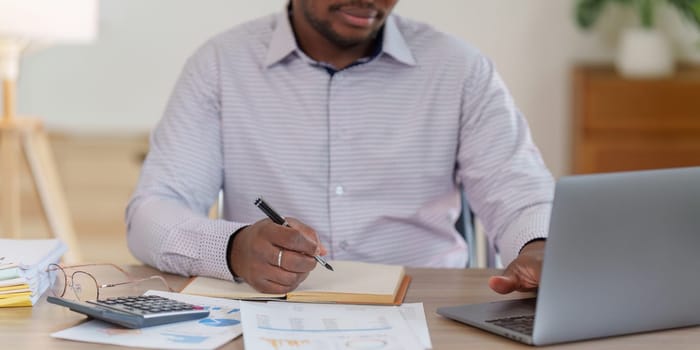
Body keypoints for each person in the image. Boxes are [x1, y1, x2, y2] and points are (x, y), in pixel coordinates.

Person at [126, 0, 553, 295]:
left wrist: (538, 246)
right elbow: (154, 212)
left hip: (427, 311)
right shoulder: (220, 65)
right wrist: (232, 247)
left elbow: (520, 193)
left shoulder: (460, 70)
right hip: (267, 312)